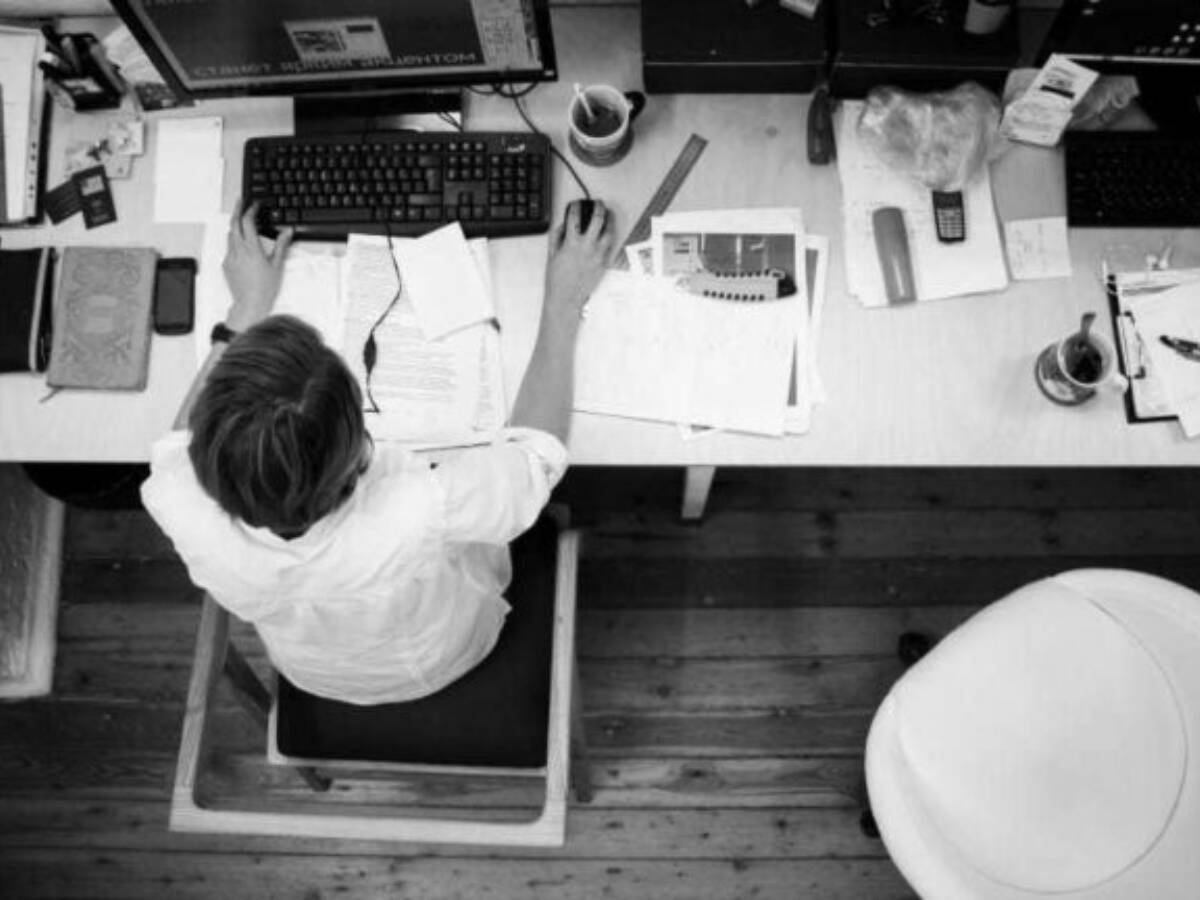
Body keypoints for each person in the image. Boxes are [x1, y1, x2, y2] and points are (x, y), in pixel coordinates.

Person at [141, 199, 613, 705]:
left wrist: (244, 309)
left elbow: (177, 442)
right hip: (442, 656)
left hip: (311, 671)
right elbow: (536, 458)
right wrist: (564, 301)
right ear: (355, 447)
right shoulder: (419, 509)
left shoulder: (177, 501)